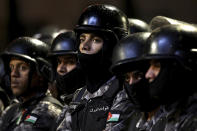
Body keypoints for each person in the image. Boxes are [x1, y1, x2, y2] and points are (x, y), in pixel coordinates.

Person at [56, 4, 130, 131]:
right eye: (82, 38)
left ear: (113, 46)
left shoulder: (123, 91)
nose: (85, 46)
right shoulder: (79, 96)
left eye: (95, 40)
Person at [0, 37, 63, 131]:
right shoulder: (11, 110)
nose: (14, 74)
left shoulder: (49, 110)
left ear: (42, 73)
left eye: (22, 68)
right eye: (12, 67)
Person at [143, 24, 197, 130]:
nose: (148, 75)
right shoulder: (165, 115)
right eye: (150, 66)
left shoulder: (192, 119)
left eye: (157, 66)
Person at [48, 30, 85, 104]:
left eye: (70, 62)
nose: (60, 69)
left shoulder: (95, 101)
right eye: (59, 62)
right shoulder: (52, 100)